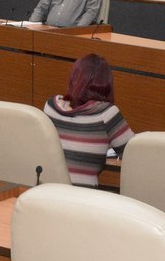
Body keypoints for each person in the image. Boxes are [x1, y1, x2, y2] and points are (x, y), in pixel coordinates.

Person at [44, 53, 134, 187]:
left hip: (46, 194)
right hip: (82, 199)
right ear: (106, 84)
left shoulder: (50, 107)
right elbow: (135, 155)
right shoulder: (106, 113)